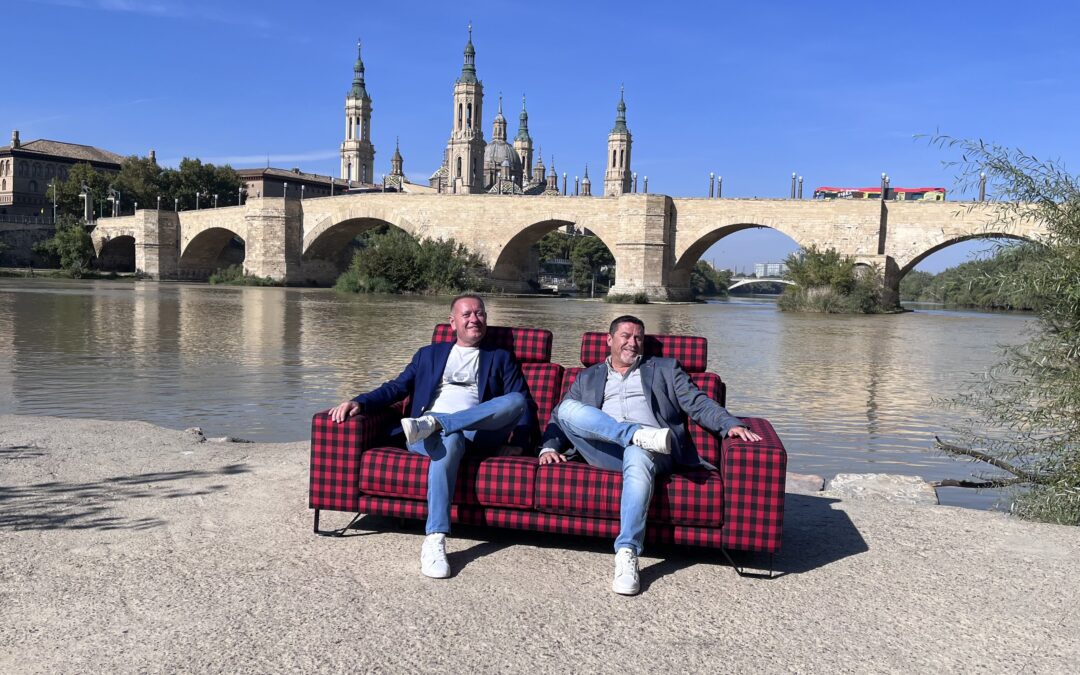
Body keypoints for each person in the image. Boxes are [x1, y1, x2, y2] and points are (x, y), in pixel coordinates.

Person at [540, 315, 761, 595]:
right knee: (566, 409)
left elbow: (698, 403)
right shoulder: (587, 377)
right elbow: (560, 420)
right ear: (609, 340)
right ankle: (635, 434)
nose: (632, 343)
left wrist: (731, 423)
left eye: (638, 338)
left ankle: (627, 552)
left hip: (655, 450)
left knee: (638, 452)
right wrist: (549, 447)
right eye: (625, 336)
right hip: (604, 450)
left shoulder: (665, 369)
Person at [329, 294, 534, 579]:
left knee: (515, 400)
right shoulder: (429, 354)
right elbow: (396, 388)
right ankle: (435, 538)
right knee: (450, 441)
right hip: (426, 437)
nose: (475, 319)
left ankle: (440, 422)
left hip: (477, 433)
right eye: (467, 314)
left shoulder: (500, 357)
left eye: (480, 313)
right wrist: (360, 402)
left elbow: (521, 406)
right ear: (452, 322)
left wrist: (520, 444)